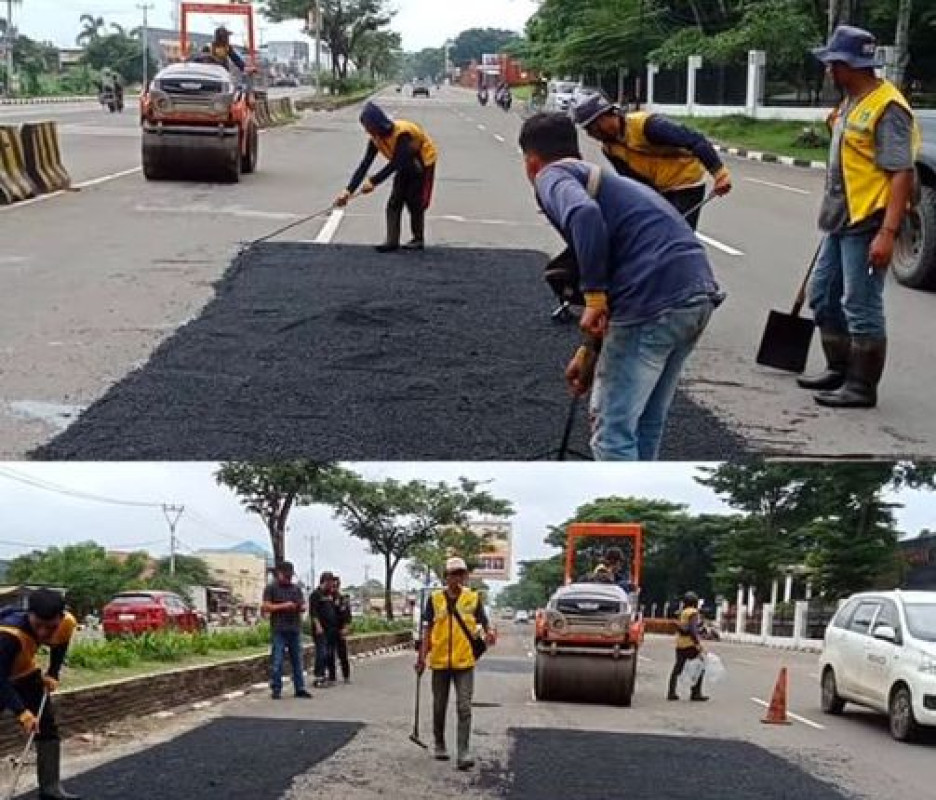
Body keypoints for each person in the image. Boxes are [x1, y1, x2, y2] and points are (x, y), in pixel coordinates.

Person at [519, 112, 724, 460]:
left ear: (531, 161)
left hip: (654, 299)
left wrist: (594, 297)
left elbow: (584, 216)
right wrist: (589, 350)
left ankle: (615, 502)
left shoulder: (551, 176)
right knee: (644, 421)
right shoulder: (606, 182)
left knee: (612, 431)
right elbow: (617, 268)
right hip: (695, 295)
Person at [798, 25, 919, 409]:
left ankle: (861, 387)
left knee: (860, 303)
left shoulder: (889, 108)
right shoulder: (853, 99)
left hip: (869, 219)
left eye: (832, 64)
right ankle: (839, 367)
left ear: (847, 65)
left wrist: (888, 232)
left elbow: (901, 172)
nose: (828, 72)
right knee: (823, 295)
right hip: (840, 217)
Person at [572, 94, 732, 230]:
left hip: (686, 182)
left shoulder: (646, 125)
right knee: (655, 233)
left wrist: (720, 174)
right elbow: (631, 179)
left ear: (604, 117)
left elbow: (695, 140)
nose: (590, 134)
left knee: (677, 234)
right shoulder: (609, 149)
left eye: (591, 128)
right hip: (660, 189)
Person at [415, 557, 495, 770]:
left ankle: (463, 752)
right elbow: (427, 631)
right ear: (446, 576)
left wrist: (489, 634)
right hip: (440, 662)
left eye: (461, 573)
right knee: (439, 706)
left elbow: (483, 624)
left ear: (465, 576)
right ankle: (439, 743)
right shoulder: (435, 599)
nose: (457, 577)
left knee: (464, 707)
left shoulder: (472, 598)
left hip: (464, 662)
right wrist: (421, 658)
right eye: (453, 573)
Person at [0, 589, 80, 800]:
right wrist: (21, 712)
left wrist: (53, 672)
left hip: (24, 671)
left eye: (50, 627)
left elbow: (60, 644)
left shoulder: (67, 622)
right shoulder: (9, 633)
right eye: (38, 626)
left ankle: (50, 789)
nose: (44, 633)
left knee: (47, 727)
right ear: (29, 615)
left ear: (61, 618)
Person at [335, 102, 438, 253]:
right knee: (394, 201)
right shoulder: (375, 139)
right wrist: (348, 191)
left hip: (422, 162)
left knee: (414, 200)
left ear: (375, 124)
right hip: (404, 163)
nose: (366, 131)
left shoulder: (402, 134)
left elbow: (397, 162)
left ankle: (418, 239)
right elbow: (365, 164)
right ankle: (392, 241)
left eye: (367, 127)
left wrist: (373, 181)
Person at [261, 562, 311, 700]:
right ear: (279, 574)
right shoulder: (271, 588)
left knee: (298, 661)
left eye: (290, 577)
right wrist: (284, 606)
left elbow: (303, 606)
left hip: (294, 628)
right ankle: (276, 688)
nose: (288, 579)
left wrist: (299, 607)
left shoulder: (296, 589)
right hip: (279, 630)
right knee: (277, 661)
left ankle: (299, 688)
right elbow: (266, 607)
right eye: (286, 576)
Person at [667, 592, 708, 702]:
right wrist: (698, 644)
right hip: (690, 645)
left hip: (680, 644)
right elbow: (693, 630)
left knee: (677, 669)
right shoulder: (693, 613)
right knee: (700, 667)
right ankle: (696, 693)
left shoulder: (683, 612)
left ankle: (671, 692)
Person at [309, 571, 340, 688]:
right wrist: (318, 626)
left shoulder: (331, 595)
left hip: (331, 629)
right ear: (325, 582)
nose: (332, 585)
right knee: (321, 653)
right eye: (330, 583)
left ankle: (328, 675)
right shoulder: (316, 595)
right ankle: (319, 676)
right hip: (321, 629)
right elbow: (313, 613)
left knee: (330, 653)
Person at [333, 575, 353, 684]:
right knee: (329, 654)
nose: (334, 588)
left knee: (342, 654)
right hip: (330, 630)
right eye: (333, 585)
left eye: (336, 585)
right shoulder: (327, 599)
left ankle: (346, 676)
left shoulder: (343, 600)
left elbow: (347, 616)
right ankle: (332, 676)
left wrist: (346, 628)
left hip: (340, 629)